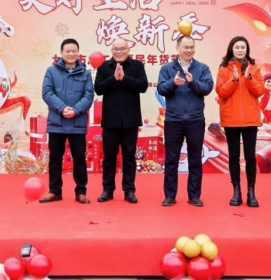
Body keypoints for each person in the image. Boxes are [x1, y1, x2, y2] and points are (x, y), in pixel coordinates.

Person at [157, 35, 214, 207]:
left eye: (191, 47)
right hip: (173, 120)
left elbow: (207, 88)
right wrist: (173, 83)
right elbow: (161, 88)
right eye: (186, 47)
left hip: (195, 120)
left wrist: (193, 82)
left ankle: (194, 195)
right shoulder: (167, 68)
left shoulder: (202, 68)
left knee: (195, 159)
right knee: (171, 159)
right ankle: (170, 195)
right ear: (177, 49)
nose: (189, 50)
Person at [93, 38, 148, 203]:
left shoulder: (137, 66)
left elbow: (143, 86)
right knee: (109, 157)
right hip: (110, 121)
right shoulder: (104, 67)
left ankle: (129, 191)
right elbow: (98, 88)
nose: (119, 52)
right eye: (116, 49)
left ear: (128, 50)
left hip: (131, 120)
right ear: (111, 50)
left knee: (129, 156)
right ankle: (107, 190)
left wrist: (124, 79)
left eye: (123, 48)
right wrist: (114, 78)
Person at [40, 39, 94, 204]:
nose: (71, 54)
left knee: (79, 158)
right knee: (55, 158)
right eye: (68, 51)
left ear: (78, 53)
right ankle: (55, 191)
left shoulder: (85, 73)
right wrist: (62, 108)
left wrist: (76, 110)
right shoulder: (51, 71)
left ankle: (81, 192)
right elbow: (47, 93)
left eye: (74, 51)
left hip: (77, 123)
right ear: (61, 53)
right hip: (57, 123)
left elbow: (88, 95)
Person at [215, 36, 264, 207]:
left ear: (247, 50)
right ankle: (236, 192)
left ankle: (251, 193)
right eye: (237, 47)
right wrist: (234, 79)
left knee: (250, 157)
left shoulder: (254, 68)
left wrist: (249, 78)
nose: (240, 50)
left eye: (243, 47)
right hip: (231, 119)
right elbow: (221, 92)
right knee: (234, 157)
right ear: (231, 49)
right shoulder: (223, 69)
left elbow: (260, 91)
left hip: (250, 119)